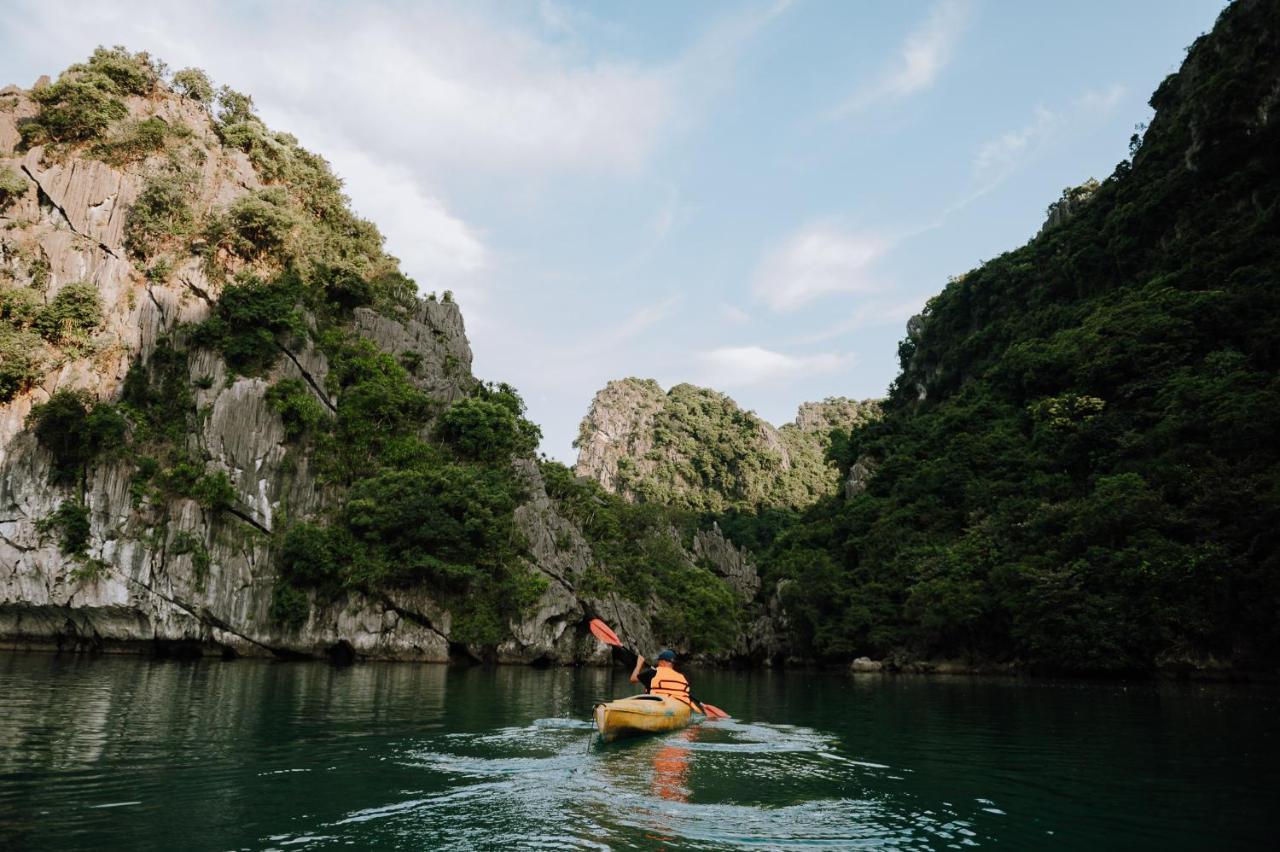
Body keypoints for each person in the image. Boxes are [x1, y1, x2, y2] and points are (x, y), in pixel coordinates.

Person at [630, 649, 694, 708]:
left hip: (655, 706)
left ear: (662, 661)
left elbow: (633, 679)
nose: (658, 663)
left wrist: (639, 664)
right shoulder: (681, 677)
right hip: (677, 706)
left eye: (658, 661)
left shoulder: (653, 673)